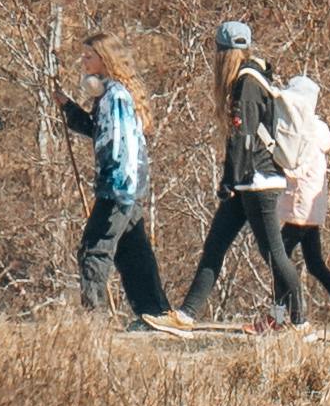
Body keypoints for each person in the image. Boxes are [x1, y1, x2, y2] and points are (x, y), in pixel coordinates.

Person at [172, 18, 306, 328]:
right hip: (248, 179)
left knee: (274, 254)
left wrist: (230, 179)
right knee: (216, 246)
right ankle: (186, 314)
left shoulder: (246, 83)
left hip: (256, 181)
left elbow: (243, 137)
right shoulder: (255, 79)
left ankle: (300, 321)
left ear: (222, 53)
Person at [58, 36, 170, 320]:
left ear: (104, 60)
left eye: (88, 57)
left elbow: (121, 145)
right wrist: (68, 107)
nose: (83, 62)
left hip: (119, 186)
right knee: (133, 254)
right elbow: (98, 130)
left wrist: (119, 189)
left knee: (94, 248)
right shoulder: (111, 95)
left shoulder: (114, 97)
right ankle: (155, 314)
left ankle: (92, 318)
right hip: (128, 186)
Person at [278, 72, 330, 328]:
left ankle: (281, 318)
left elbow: (293, 167)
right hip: (310, 207)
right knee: (313, 263)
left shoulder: (302, 132)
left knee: (280, 259)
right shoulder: (318, 131)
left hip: (298, 205)